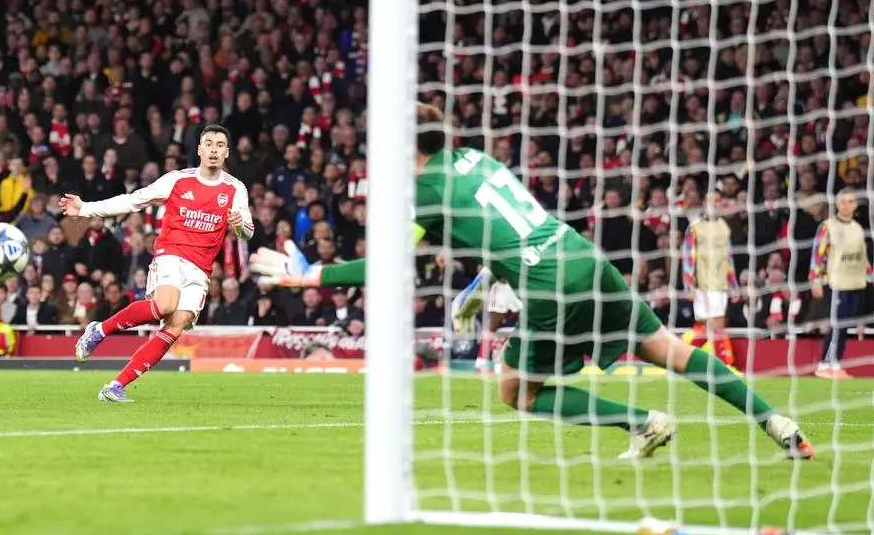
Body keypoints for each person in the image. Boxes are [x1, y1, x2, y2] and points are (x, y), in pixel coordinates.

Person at [250, 103, 814, 460]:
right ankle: (777, 422)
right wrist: (480, 285)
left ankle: (642, 423)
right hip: (581, 254)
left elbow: (388, 262)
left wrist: (311, 275)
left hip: (548, 280)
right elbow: (501, 227)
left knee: (516, 391)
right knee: (669, 350)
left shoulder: (425, 188)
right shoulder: (475, 159)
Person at [60, 124, 253, 402]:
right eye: (208, 143)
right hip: (172, 254)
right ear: (199, 150)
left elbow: (247, 229)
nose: (213, 149)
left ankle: (115, 386)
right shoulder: (177, 180)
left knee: (176, 325)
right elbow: (132, 202)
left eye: (220, 145)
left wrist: (239, 225)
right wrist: (86, 208)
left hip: (201, 268)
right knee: (165, 305)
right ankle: (100, 329)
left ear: (226, 153)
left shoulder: (235, 189)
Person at [809, 188, 871, 379]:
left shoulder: (857, 228)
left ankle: (835, 364)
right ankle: (825, 364)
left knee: (844, 324)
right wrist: (815, 279)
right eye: (843, 201)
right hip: (834, 282)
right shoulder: (828, 226)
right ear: (837, 204)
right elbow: (817, 254)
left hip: (853, 281)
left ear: (855, 205)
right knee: (837, 323)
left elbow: (862, 257)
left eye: (850, 201)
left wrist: (870, 274)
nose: (846, 205)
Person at [678, 191, 741, 370]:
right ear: (705, 203)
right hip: (704, 283)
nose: (716, 204)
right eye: (712, 201)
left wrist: (734, 286)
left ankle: (678, 359)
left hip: (720, 284)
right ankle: (727, 366)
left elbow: (728, 259)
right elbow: (688, 257)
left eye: (719, 201)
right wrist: (688, 285)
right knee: (717, 325)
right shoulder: (695, 227)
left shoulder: (723, 226)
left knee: (708, 328)